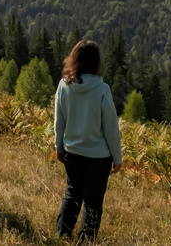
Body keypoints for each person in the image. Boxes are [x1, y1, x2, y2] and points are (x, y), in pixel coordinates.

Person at [53, 39, 122, 242]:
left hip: (73, 153)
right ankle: (86, 241)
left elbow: (59, 122)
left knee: (72, 194)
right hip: (99, 157)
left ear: (74, 59)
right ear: (96, 62)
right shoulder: (102, 90)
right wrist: (117, 159)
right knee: (93, 203)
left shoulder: (63, 86)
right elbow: (111, 129)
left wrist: (59, 148)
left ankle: (61, 237)